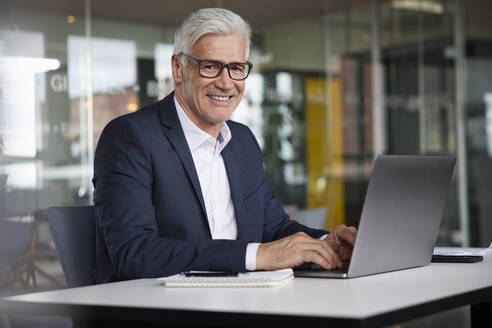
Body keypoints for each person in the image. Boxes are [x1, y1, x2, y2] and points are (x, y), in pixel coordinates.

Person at [92, 8, 357, 283]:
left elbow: (273, 227)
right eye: (210, 66)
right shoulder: (130, 137)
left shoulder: (242, 141)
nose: (226, 82)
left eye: (236, 68)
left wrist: (327, 242)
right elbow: (134, 253)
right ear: (178, 69)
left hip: (238, 301)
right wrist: (257, 256)